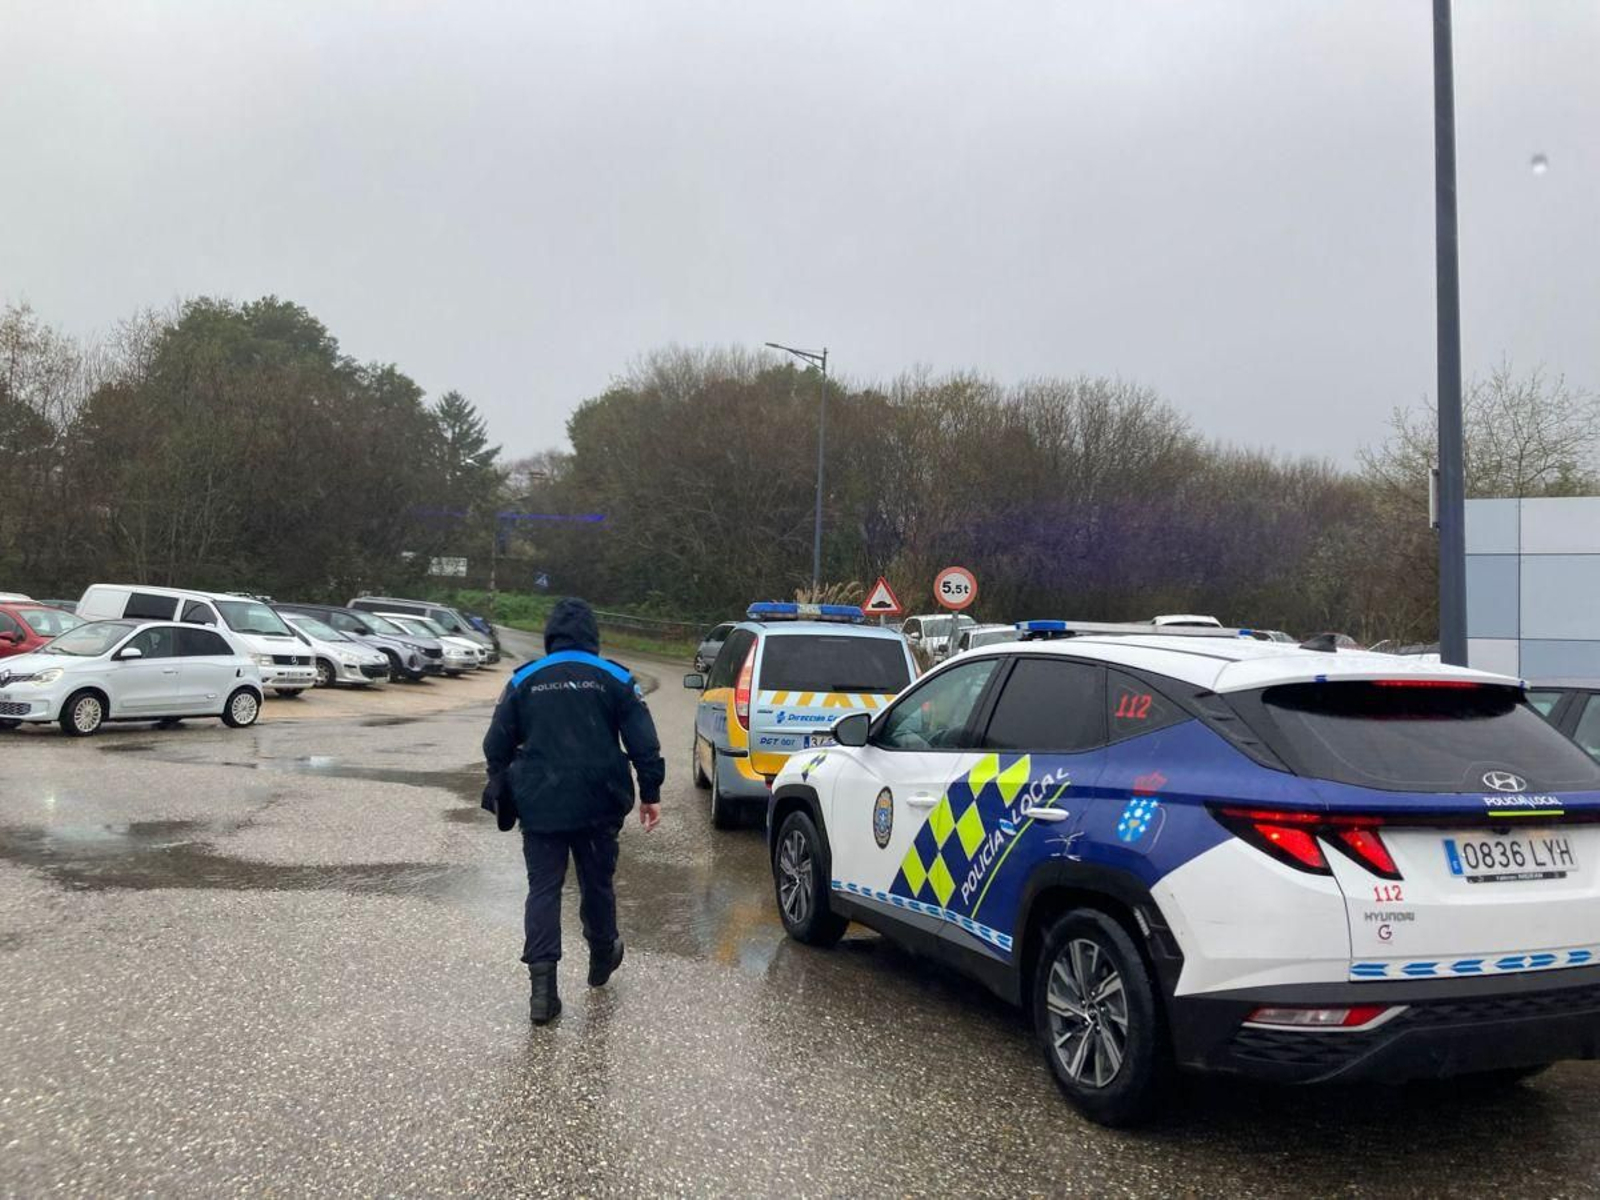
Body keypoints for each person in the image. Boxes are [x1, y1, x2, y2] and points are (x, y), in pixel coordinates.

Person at [482, 598, 665, 1024]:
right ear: (592, 635)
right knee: (596, 884)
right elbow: (644, 743)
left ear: (550, 635)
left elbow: (495, 745)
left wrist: (501, 779)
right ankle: (603, 954)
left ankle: (542, 993)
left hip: (540, 803)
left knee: (543, 890)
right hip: (599, 801)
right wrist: (650, 793)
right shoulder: (617, 678)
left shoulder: (525, 679)